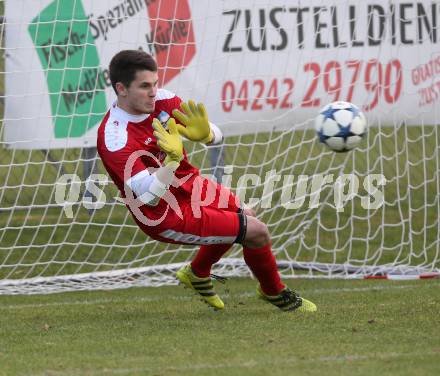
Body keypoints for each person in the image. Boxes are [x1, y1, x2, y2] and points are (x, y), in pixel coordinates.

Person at [97, 50, 316, 312]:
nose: (154, 92)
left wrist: (207, 135)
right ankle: (274, 292)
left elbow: (215, 133)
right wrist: (172, 162)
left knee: (244, 213)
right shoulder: (114, 137)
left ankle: (197, 272)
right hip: (164, 213)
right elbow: (148, 196)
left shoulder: (164, 101)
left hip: (191, 186)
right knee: (256, 232)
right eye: (145, 86)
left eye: (155, 83)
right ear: (121, 88)